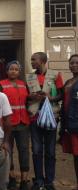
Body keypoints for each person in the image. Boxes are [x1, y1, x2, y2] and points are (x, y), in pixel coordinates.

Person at [26, 52, 63, 190]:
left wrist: (49, 98)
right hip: (34, 117)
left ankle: (49, 181)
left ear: (42, 61)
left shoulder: (55, 75)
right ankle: (39, 181)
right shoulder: (29, 77)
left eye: (33, 59)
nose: (31, 62)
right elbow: (26, 98)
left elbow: (61, 94)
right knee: (36, 151)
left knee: (50, 152)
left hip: (51, 117)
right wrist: (31, 97)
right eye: (31, 60)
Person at [0, 61, 30, 190]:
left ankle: (24, 180)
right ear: (7, 71)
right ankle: (11, 178)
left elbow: (28, 101)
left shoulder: (24, 84)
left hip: (23, 123)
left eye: (16, 69)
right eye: (11, 69)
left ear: (19, 71)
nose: (13, 71)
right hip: (8, 123)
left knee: (24, 150)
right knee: (8, 151)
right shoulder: (1, 85)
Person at [60, 54, 78, 190]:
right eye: (71, 63)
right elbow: (60, 98)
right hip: (70, 125)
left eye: (76, 63)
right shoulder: (68, 82)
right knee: (76, 157)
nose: (73, 65)